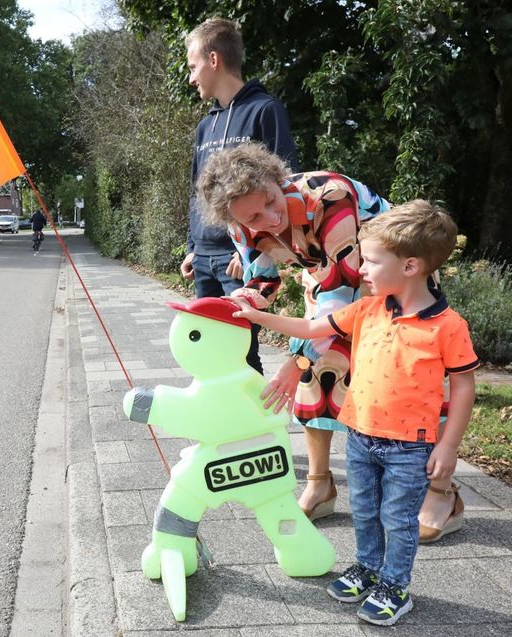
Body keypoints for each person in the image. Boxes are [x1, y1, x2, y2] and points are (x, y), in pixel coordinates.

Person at [196, 143, 466, 542]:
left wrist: (294, 360)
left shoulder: (331, 196)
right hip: (327, 282)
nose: (269, 219)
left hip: (395, 280)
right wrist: (237, 306)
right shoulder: (241, 224)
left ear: (278, 178)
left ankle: (442, 492)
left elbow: (342, 288)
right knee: (319, 376)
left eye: (271, 201)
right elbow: (263, 279)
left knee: (412, 382)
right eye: (254, 216)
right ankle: (320, 483)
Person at [229, 200, 477, 626]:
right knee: (364, 510)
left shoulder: (447, 325)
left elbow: (464, 385)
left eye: (372, 260)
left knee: (397, 520)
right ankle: (367, 568)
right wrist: (257, 316)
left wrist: (449, 445)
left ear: (411, 266)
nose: (360, 267)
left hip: (410, 447)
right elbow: (311, 329)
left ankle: (395, 587)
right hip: (360, 437)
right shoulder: (367, 310)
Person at [181, 17, 298, 375]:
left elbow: (286, 187)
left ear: (213, 60)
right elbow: (196, 192)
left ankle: (254, 427)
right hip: (204, 256)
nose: (191, 77)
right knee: (210, 351)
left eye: (192, 66)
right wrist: (191, 246)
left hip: (241, 259)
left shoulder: (265, 110)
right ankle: (223, 427)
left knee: (243, 352)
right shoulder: (206, 125)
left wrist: (254, 247)